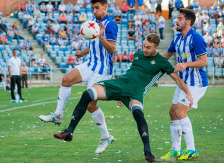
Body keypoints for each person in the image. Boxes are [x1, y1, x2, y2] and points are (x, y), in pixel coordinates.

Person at [53, 33, 193, 162]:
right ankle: (69, 131)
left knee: (138, 114)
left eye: (148, 47)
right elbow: (133, 72)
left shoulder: (162, 63)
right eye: (144, 46)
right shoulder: (138, 54)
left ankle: (148, 151)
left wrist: (188, 93)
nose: (144, 49)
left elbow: (177, 79)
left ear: (156, 48)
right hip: (120, 84)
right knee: (87, 94)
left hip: (136, 92)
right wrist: (120, 94)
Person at [39, 0, 118, 155]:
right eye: (93, 8)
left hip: (102, 70)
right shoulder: (93, 23)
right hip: (90, 63)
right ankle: (58, 115)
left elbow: (111, 49)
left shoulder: (110, 25)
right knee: (66, 79)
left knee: (90, 104)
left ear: (105, 7)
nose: (95, 11)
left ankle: (106, 136)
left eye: (98, 8)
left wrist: (101, 36)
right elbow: (94, 43)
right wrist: (82, 52)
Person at [161, 8, 208, 161]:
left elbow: (204, 61)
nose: (176, 20)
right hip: (183, 82)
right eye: (177, 18)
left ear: (188, 22)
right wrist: (151, 61)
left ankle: (191, 150)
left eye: (180, 18)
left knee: (180, 112)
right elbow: (167, 55)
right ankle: (175, 150)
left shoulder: (197, 38)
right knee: (173, 112)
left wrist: (186, 64)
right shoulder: (177, 38)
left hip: (196, 83)